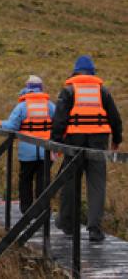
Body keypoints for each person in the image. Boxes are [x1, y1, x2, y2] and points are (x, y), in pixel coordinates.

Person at [52, 55, 122, 242]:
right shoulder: (102, 91)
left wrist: (55, 144)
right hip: (98, 141)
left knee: (70, 182)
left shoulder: (68, 91)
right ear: (92, 73)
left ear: (75, 71)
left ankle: (67, 224)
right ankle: (94, 230)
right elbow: (115, 118)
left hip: (73, 142)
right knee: (96, 185)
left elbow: (59, 120)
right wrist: (117, 139)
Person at [0, 76, 55, 214]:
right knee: (43, 180)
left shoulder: (22, 106)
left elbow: (12, 126)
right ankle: (42, 211)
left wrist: (0, 123)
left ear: (27, 88)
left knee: (26, 180)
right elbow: (59, 125)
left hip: (27, 152)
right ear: (41, 88)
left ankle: (26, 210)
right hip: (47, 150)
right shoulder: (50, 106)